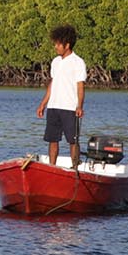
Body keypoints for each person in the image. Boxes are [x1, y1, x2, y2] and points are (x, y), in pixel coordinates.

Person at [35, 24, 87, 168]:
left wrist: (79, 106)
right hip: (53, 107)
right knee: (52, 139)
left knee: (73, 140)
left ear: (67, 45)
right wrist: (43, 104)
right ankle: (52, 167)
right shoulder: (55, 62)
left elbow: (80, 86)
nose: (55, 47)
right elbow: (53, 83)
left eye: (58, 44)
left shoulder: (78, 62)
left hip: (69, 107)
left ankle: (75, 167)